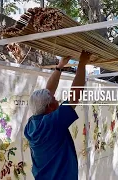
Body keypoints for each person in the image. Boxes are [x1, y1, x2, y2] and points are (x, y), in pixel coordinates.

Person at [24, 51, 91, 180]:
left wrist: (60, 66)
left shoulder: (32, 125)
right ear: (49, 107)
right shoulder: (51, 123)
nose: (57, 100)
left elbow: (48, 92)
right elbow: (75, 95)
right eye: (54, 99)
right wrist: (82, 63)